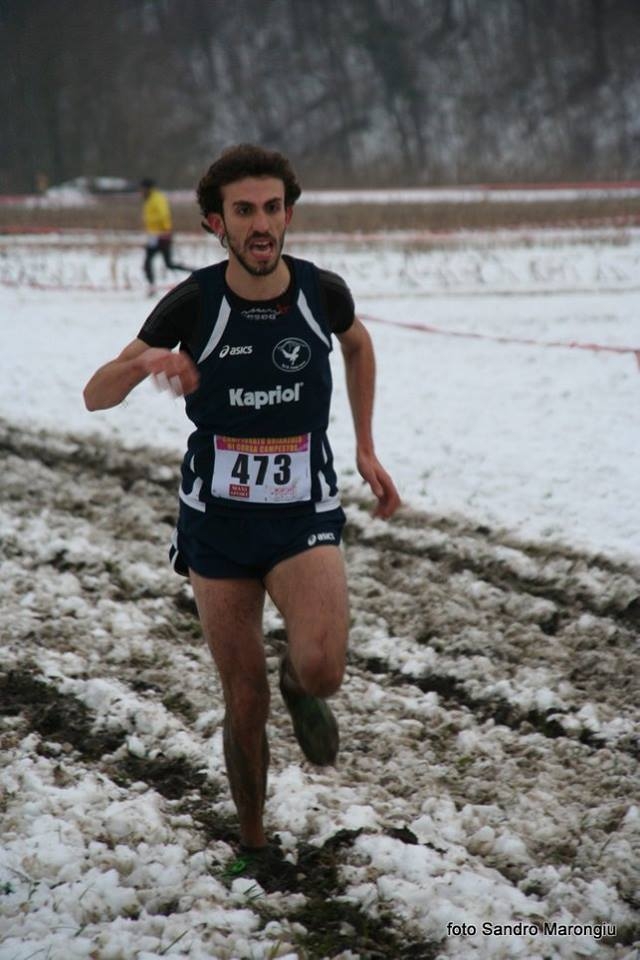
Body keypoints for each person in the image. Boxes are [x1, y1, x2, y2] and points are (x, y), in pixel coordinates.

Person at [84, 145, 400, 879]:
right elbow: (94, 394)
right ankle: (254, 843)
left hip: (302, 512)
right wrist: (145, 364)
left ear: (288, 213)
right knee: (243, 697)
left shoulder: (323, 292)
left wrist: (366, 446)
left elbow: (357, 346)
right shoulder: (193, 303)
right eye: (243, 212)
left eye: (271, 209)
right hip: (217, 525)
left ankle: (303, 690)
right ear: (214, 224)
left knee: (319, 668)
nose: (260, 225)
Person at [140, 177, 193, 295]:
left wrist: (166, 230)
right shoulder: (149, 199)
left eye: (142, 188)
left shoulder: (156, 199)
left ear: (148, 188)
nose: (141, 191)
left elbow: (163, 215)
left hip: (162, 235)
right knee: (150, 261)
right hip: (154, 235)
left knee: (167, 263)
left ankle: (194, 272)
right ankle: (151, 286)